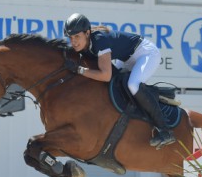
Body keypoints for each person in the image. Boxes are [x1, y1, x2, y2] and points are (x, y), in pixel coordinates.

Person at [63, 13, 176, 149]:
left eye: (77, 36)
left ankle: (165, 130)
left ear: (87, 33)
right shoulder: (85, 45)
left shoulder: (99, 41)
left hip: (146, 53)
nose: (73, 41)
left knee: (132, 85)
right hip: (129, 59)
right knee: (116, 84)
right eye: (70, 37)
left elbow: (105, 75)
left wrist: (80, 70)